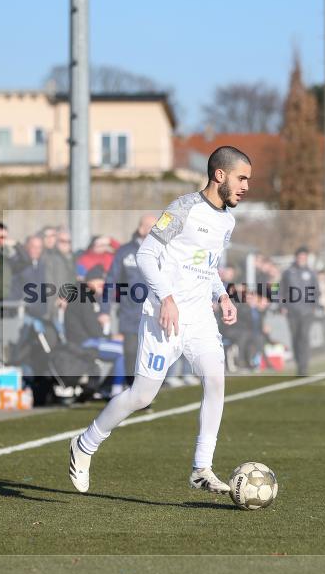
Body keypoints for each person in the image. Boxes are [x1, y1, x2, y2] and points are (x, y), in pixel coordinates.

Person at [69, 145, 250, 495]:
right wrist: (166, 298)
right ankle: (85, 444)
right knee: (141, 396)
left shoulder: (227, 220)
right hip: (163, 318)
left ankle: (201, 468)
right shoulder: (183, 209)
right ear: (220, 175)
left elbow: (208, 264)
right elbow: (146, 254)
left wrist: (222, 295)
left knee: (215, 381)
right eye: (242, 178)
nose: (245, 186)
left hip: (199, 319)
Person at [100, 214, 157, 385]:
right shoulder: (125, 252)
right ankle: (132, 391)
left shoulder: (164, 251)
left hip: (155, 314)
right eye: (150, 226)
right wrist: (104, 311)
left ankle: (145, 392)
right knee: (132, 353)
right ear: (141, 228)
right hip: (130, 315)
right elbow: (110, 282)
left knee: (149, 356)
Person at [63, 265, 125, 397]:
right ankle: (115, 390)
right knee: (122, 352)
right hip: (83, 342)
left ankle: (107, 387)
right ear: (90, 282)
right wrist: (111, 337)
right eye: (99, 283)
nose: (102, 286)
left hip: (87, 339)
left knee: (125, 349)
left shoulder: (84, 295)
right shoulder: (83, 297)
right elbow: (91, 327)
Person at [280, 246, 319, 376]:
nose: (301, 259)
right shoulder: (288, 272)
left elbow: (316, 291)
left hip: (307, 312)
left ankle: (304, 367)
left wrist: (314, 306)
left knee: (304, 337)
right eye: (299, 256)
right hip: (292, 311)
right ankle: (298, 364)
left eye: (304, 257)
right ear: (296, 257)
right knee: (295, 338)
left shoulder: (311, 273)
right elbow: (281, 291)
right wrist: (282, 306)